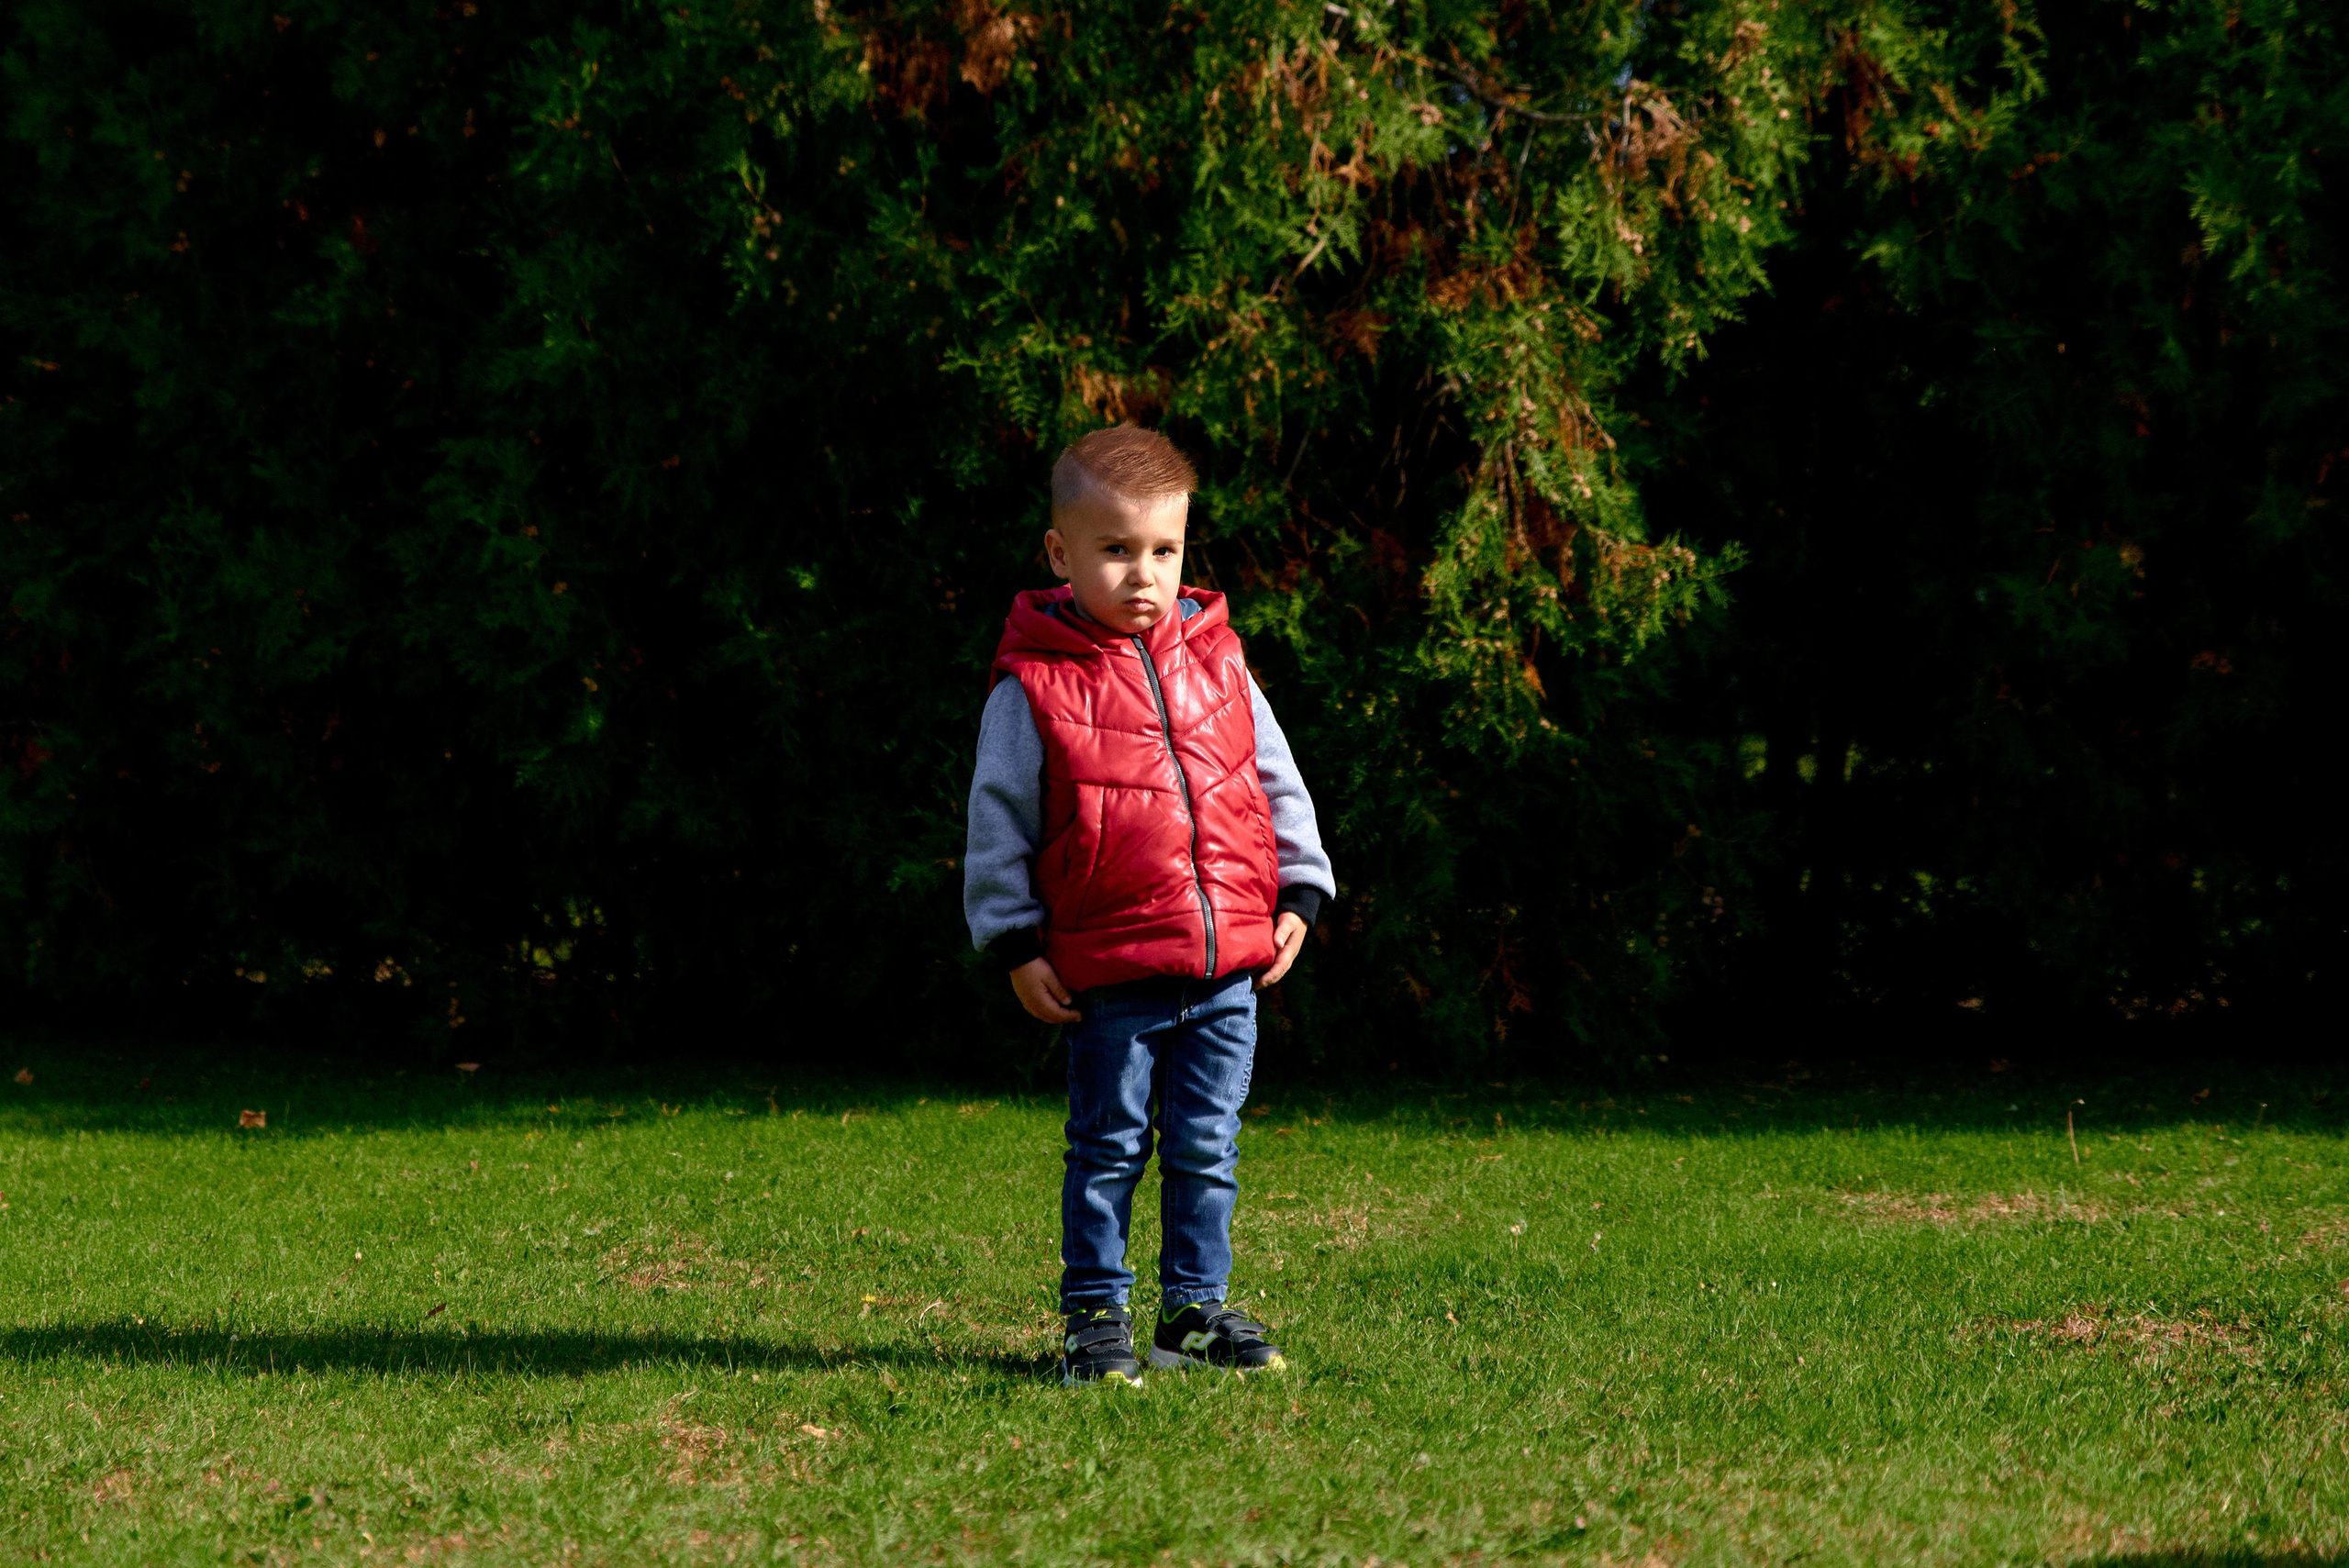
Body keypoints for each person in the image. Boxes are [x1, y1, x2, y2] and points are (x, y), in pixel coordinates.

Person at [963, 424, 1337, 1385]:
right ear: (1059, 552)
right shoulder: (1036, 682)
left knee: (1208, 1149)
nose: (1144, 574)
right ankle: (1095, 1319)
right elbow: (998, 817)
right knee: (1108, 1150)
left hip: (1226, 971)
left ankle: (1192, 1313)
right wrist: (1010, 936)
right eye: (1116, 549)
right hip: (1112, 976)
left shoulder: (1218, 659)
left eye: (1163, 550)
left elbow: (1273, 778)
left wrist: (1298, 887)